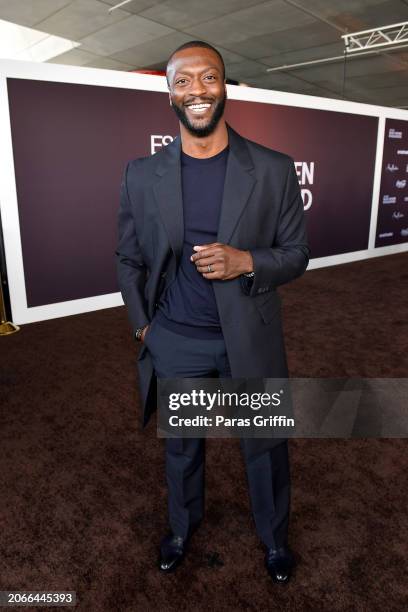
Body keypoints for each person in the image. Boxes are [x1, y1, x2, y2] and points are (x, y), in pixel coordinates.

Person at [116, 40, 310, 584]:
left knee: (265, 446)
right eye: (183, 81)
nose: (196, 90)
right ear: (169, 94)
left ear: (225, 87)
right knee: (181, 449)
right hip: (175, 338)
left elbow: (297, 255)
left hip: (249, 335)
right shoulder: (140, 174)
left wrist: (247, 260)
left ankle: (275, 540)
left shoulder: (272, 169)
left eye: (208, 78)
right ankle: (181, 528)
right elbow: (128, 258)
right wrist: (144, 328)